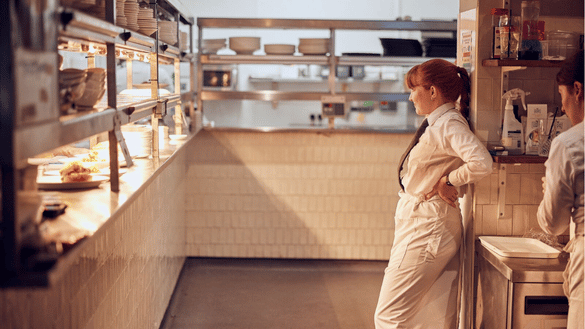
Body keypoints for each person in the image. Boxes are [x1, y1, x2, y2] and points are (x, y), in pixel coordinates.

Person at [374, 59, 493, 329]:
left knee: (388, 317)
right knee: (434, 319)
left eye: (414, 89)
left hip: (429, 227)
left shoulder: (449, 124)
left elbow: (482, 162)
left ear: (432, 91)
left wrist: (449, 180)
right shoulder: (438, 123)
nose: (410, 96)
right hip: (428, 224)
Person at [537, 49, 584, 329]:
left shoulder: (569, 143)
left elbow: (552, 223)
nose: (563, 107)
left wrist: (547, 190)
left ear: (577, 90)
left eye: (563, 97)